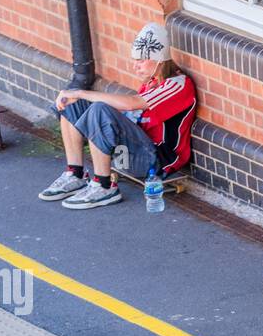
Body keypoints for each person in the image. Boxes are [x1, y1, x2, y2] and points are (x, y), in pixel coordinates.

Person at [39, 22, 197, 210]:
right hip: (129, 154)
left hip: (155, 163)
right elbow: (130, 112)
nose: (135, 66)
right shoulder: (151, 83)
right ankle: (76, 173)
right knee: (72, 104)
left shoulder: (178, 85)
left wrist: (81, 93)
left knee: (98, 109)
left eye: (141, 60)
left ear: (159, 59)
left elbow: (132, 103)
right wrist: (74, 96)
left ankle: (104, 186)